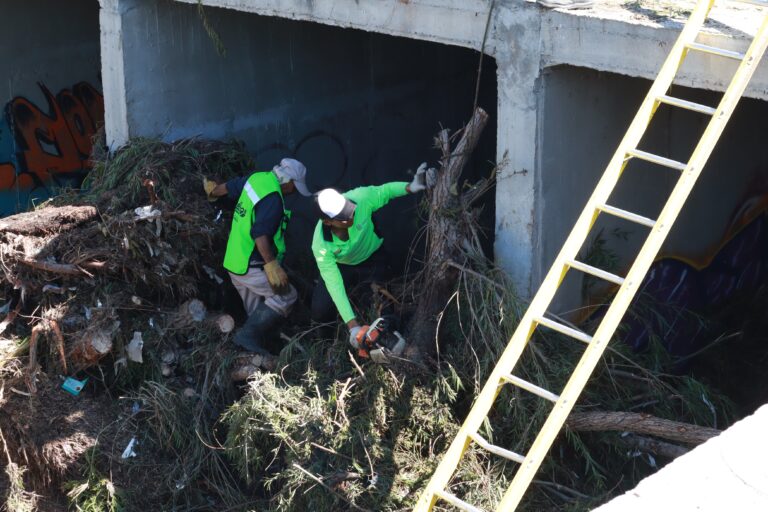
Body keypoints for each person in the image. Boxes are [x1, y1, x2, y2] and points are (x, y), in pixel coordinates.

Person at [311, 163, 434, 352]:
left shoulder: (359, 198)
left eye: (349, 210)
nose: (350, 216)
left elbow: (383, 192)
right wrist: (353, 327)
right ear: (327, 222)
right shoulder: (321, 245)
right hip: (342, 266)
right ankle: (326, 349)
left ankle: (391, 344)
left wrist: (410, 187)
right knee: (320, 308)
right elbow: (334, 284)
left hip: (373, 258)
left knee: (383, 305)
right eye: (344, 218)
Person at [204, 158, 311, 354]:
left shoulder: (257, 179)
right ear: (287, 181)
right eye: (294, 186)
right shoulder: (273, 199)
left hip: (234, 263)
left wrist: (212, 191)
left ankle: (254, 350)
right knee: (286, 296)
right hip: (251, 266)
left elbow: (228, 187)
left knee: (255, 313)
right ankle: (246, 337)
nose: (293, 191)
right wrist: (271, 265)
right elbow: (259, 234)